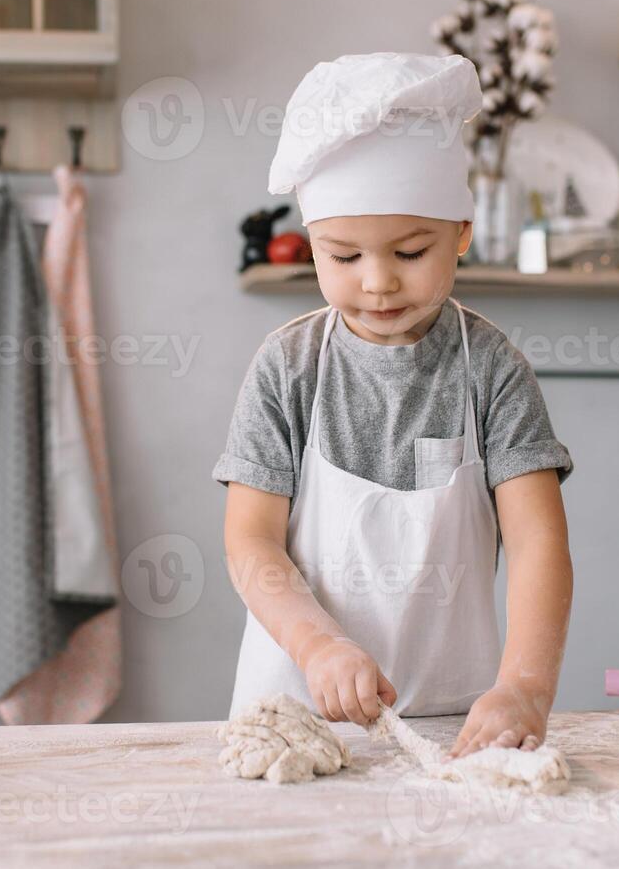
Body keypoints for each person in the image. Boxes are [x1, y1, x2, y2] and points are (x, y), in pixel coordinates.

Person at [213, 52, 574, 757]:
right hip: (296, 718)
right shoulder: (287, 368)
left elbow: (539, 543)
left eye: (410, 251)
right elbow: (249, 540)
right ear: (311, 244)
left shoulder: (492, 371)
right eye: (343, 257)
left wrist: (526, 688)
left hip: (456, 726)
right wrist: (319, 647)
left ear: (461, 233)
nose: (377, 282)